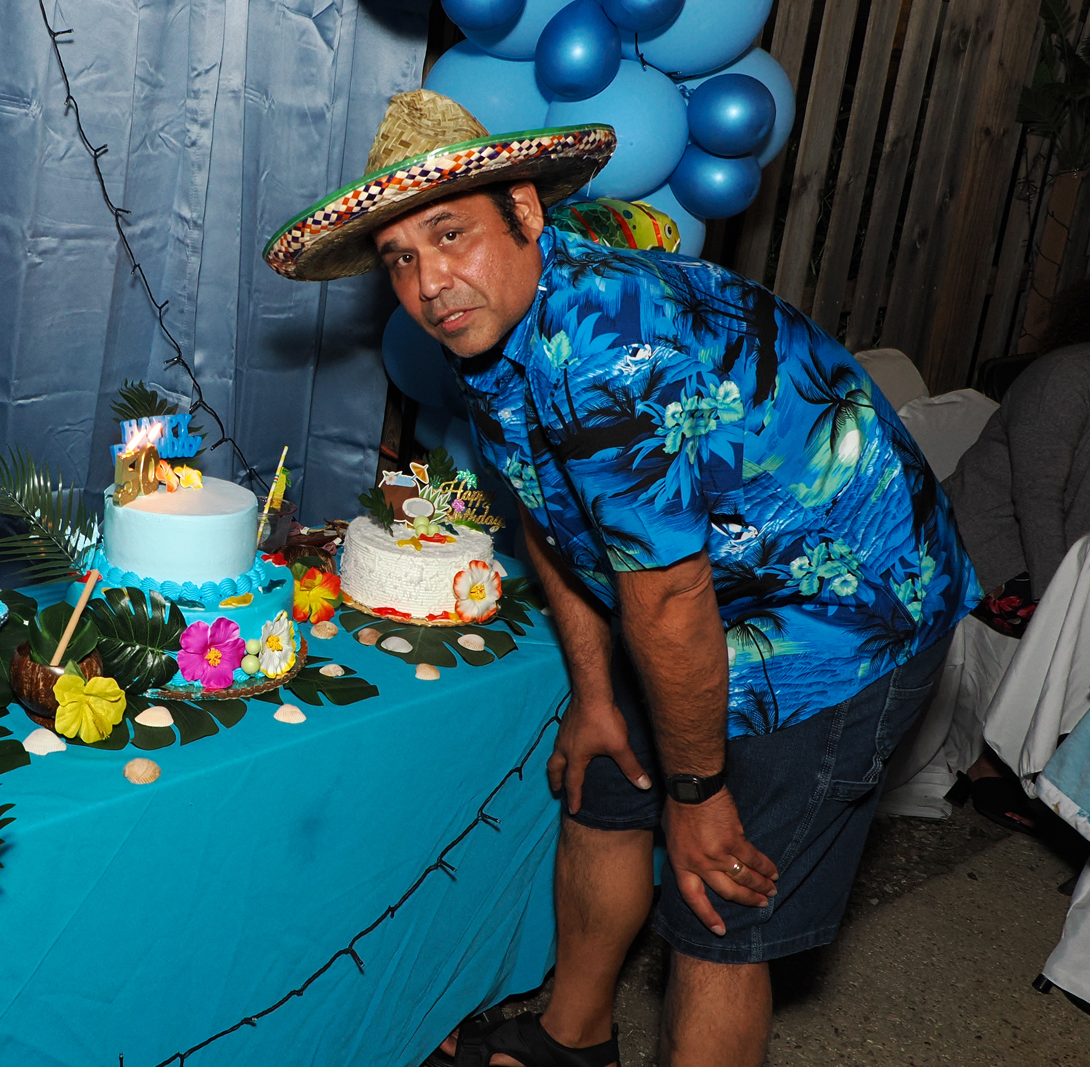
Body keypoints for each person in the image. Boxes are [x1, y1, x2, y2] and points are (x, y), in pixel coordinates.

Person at [264, 91, 979, 1067]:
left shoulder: (609, 348)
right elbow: (548, 509)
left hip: (846, 610)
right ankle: (574, 1039)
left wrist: (699, 791)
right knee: (603, 781)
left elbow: (670, 597)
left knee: (715, 896)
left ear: (523, 210)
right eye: (400, 257)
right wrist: (598, 694)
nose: (429, 283)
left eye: (450, 234)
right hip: (705, 589)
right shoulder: (493, 317)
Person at [943, 283, 1090, 832]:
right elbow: (1036, 499)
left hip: (1071, 553)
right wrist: (1066, 604)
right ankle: (994, 762)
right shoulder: (1068, 377)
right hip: (989, 545)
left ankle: (1066, 768)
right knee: (1074, 634)